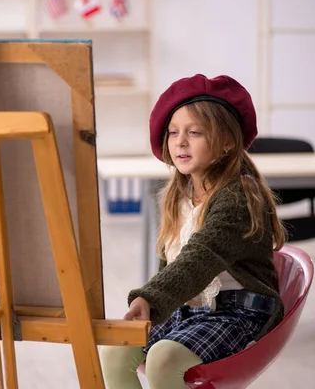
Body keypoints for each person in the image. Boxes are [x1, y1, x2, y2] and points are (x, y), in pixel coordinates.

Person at [100, 74, 287, 389]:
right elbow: (172, 265)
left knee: (163, 359)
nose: (179, 142)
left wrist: (152, 298)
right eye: (173, 132)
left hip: (239, 312)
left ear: (228, 141)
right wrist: (155, 305)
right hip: (189, 309)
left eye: (194, 132)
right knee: (116, 351)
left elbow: (200, 257)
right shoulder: (177, 195)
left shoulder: (237, 196)